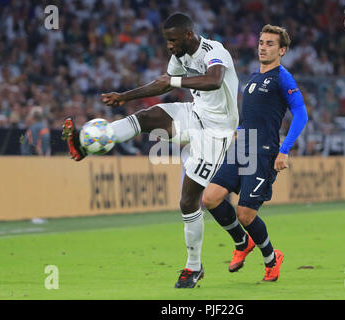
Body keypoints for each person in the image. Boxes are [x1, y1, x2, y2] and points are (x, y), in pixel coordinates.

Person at [61, 13, 239, 288]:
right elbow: (162, 82)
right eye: (167, 41)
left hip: (216, 133)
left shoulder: (215, 51)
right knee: (146, 117)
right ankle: (84, 146)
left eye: (173, 40)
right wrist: (124, 96)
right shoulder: (180, 55)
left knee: (189, 201)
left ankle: (194, 267)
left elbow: (214, 80)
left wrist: (175, 83)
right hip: (194, 115)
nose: (169, 46)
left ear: (188, 36)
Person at [202, 25, 308, 282]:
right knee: (210, 198)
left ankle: (272, 258)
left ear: (282, 50)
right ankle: (241, 242)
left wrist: (284, 150)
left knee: (245, 214)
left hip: (263, 152)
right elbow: (251, 115)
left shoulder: (283, 77)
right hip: (241, 147)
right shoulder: (253, 77)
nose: (263, 46)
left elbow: (301, 114)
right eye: (261, 42)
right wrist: (238, 130)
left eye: (270, 43)